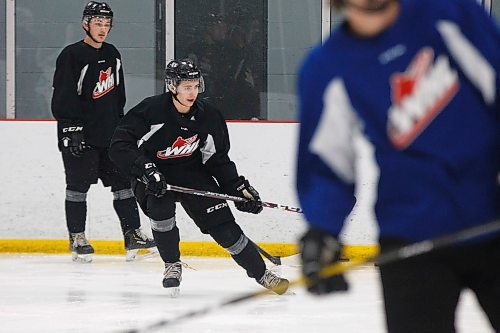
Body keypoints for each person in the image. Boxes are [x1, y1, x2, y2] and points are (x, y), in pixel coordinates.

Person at [296, 0, 500, 332]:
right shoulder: (329, 66)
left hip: (491, 218)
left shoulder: (448, 15)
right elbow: (327, 162)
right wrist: (323, 229)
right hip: (411, 236)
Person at [108, 59, 289, 296]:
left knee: (224, 227)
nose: (192, 92)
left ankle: (262, 274)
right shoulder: (151, 111)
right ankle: (172, 264)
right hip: (154, 176)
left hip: (191, 173)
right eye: (186, 87)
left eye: (195, 86)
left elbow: (217, 159)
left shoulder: (208, 116)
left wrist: (238, 187)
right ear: (172, 86)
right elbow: (119, 145)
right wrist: (146, 169)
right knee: (160, 211)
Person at [51, 1, 156, 263]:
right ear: (85, 24)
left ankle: (133, 233)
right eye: (98, 23)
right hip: (80, 134)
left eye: (107, 24)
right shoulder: (72, 55)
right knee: (77, 187)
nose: (103, 29)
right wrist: (71, 128)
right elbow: (63, 95)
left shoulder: (112, 53)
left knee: (123, 185)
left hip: (110, 135)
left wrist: (123, 128)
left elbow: (118, 95)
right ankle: (77, 236)